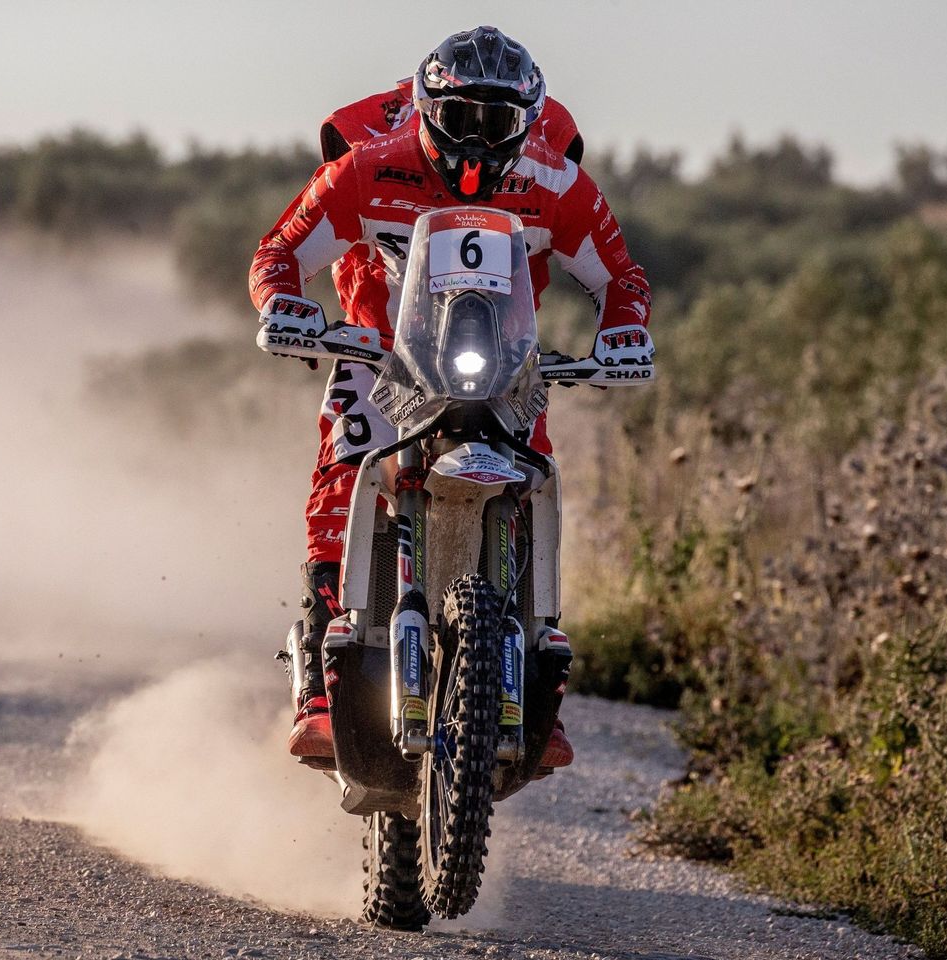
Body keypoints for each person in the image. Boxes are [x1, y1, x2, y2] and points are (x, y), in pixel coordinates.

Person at [249, 26, 654, 764]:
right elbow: (280, 251)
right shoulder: (368, 169)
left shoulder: (556, 183)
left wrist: (624, 333)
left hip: (502, 360)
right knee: (342, 476)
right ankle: (319, 676)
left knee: (536, 477)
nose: (478, 138)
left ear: (527, 123)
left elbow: (620, 278)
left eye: (497, 123)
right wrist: (285, 307)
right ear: (424, 108)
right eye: (462, 116)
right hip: (381, 350)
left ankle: (538, 682)